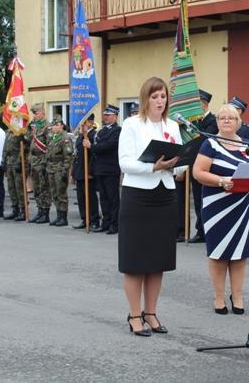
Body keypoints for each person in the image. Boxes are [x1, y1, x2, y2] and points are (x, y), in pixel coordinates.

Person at [118, 76, 184, 336]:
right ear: (145, 99)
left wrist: (179, 164)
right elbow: (125, 162)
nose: (160, 100)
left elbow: (182, 160)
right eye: (155, 96)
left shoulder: (173, 126)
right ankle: (135, 315)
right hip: (138, 196)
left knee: (158, 260)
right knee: (135, 260)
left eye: (163, 96)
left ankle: (152, 312)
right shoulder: (132, 124)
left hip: (165, 195)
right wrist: (153, 166)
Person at [194, 103, 249, 315]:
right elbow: (198, 172)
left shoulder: (248, 145)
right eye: (222, 117)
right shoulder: (210, 144)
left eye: (231, 118)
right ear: (217, 122)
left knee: (239, 254)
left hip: (241, 205)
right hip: (216, 205)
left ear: (239, 122)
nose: (226, 121)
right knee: (219, 253)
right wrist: (221, 181)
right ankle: (219, 297)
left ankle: (237, 296)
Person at [176, 88, 217, 243]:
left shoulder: (212, 120)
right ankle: (200, 231)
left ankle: (207, 230)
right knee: (198, 200)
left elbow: (203, 138)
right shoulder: (193, 122)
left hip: (206, 166)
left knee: (205, 199)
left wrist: (189, 127)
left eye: (197, 104)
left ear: (204, 104)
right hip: (193, 164)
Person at [86, 104, 121, 234]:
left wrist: (92, 147)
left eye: (108, 115)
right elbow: (99, 145)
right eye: (105, 115)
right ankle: (106, 222)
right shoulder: (101, 131)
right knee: (103, 198)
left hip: (111, 169)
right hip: (99, 168)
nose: (105, 117)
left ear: (115, 116)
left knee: (113, 198)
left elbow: (109, 146)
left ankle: (114, 224)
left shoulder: (117, 130)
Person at [71, 114, 101, 230]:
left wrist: (91, 170)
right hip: (79, 170)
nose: (82, 125)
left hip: (88, 170)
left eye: (84, 122)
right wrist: (73, 172)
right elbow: (77, 154)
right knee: (81, 197)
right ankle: (85, 218)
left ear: (90, 122)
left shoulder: (93, 135)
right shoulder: (81, 135)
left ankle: (94, 220)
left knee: (90, 197)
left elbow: (94, 154)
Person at [46, 118, 73, 226]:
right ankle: (58, 215)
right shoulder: (52, 137)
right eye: (53, 125)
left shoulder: (65, 138)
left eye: (57, 125)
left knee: (61, 193)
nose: (54, 127)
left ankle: (63, 217)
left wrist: (65, 171)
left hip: (60, 168)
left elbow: (68, 157)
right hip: (51, 167)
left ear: (62, 126)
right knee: (54, 193)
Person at [28, 103, 51, 224]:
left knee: (44, 188)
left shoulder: (48, 127)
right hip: (34, 161)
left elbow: (49, 147)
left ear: (43, 113)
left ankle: (45, 213)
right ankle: (39, 211)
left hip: (42, 162)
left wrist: (46, 162)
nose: (35, 116)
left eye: (36, 113)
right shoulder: (35, 127)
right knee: (36, 187)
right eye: (34, 114)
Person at [3, 129, 28, 221]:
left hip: (17, 162)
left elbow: (24, 148)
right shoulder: (8, 132)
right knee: (11, 187)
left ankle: (23, 210)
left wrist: (19, 161)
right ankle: (15, 209)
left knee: (19, 187)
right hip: (9, 162)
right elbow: (5, 148)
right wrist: (3, 161)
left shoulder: (21, 131)